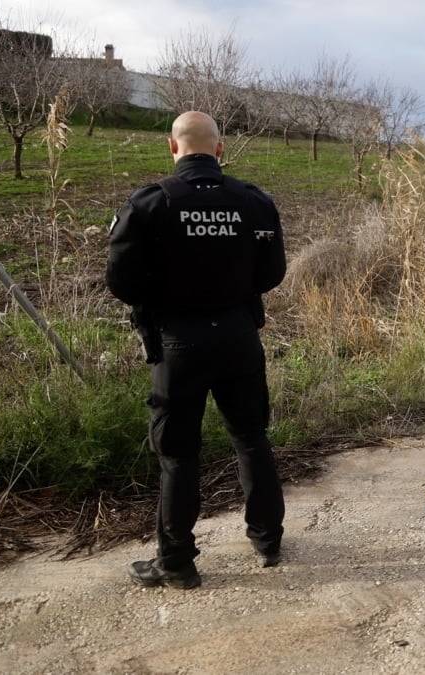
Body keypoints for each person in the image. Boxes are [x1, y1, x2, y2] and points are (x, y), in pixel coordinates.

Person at [106, 111, 287, 589]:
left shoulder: (150, 204)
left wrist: (167, 297)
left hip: (178, 344)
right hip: (238, 336)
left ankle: (177, 563)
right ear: (220, 150)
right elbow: (271, 275)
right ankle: (268, 539)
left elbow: (121, 281)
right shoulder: (253, 201)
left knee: (178, 454)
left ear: (172, 147)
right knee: (251, 437)